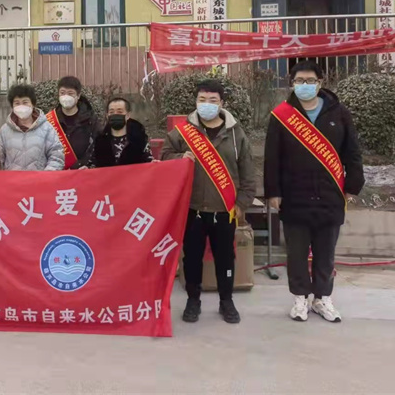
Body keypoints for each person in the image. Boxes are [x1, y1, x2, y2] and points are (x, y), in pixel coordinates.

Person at [264, 60, 364, 323]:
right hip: (294, 195)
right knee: (296, 252)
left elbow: (352, 152)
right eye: (299, 81)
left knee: (325, 252)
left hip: (330, 195)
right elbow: (272, 157)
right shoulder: (281, 115)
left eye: (310, 81)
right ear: (292, 84)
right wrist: (273, 191)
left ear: (320, 83)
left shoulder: (339, 113)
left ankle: (322, 298)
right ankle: (300, 298)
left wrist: (352, 186)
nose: (305, 85)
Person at [161, 80, 256, 325]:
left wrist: (242, 203)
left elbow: (247, 171)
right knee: (192, 258)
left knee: (225, 258)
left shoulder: (235, 134)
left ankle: (227, 300)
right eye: (202, 100)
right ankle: (193, 300)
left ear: (222, 103)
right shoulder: (183, 132)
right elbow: (165, 156)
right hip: (192, 209)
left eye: (213, 100)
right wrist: (179, 156)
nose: (207, 104)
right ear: (195, 102)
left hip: (225, 209)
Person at [0, 84, 65, 171]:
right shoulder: (4, 130)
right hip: (13, 179)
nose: (21, 106)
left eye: (25, 102)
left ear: (33, 104)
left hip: (40, 179)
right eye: (17, 103)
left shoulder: (47, 128)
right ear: (12, 106)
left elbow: (56, 155)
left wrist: (47, 174)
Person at [47, 76, 100, 169]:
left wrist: (86, 164)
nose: (66, 97)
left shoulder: (90, 120)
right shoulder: (49, 119)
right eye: (62, 93)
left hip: (82, 171)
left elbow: (98, 145)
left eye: (70, 93)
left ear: (78, 96)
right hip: (56, 171)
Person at [91, 98, 154, 167]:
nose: (115, 114)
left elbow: (149, 162)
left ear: (128, 115)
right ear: (107, 116)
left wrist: (155, 164)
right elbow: (92, 164)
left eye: (120, 112)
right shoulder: (99, 141)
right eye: (111, 112)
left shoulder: (139, 139)